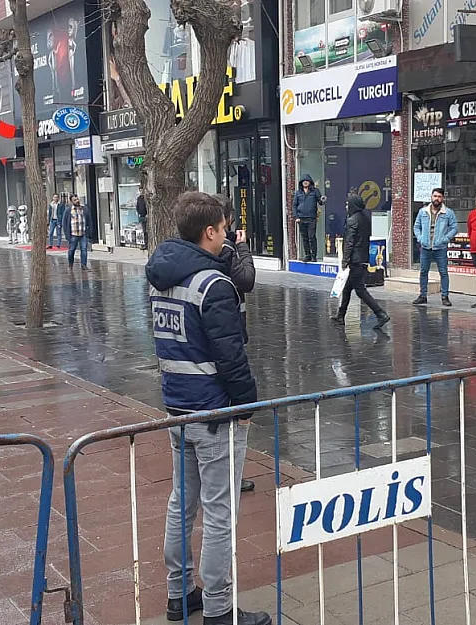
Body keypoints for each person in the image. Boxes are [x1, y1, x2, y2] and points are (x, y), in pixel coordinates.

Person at [145, 191, 270, 625]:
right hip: (215, 412)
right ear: (209, 231)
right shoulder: (213, 285)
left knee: (182, 503)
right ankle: (219, 608)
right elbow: (231, 355)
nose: (225, 235)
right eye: (221, 228)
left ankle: (180, 595)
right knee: (220, 512)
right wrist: (246, 404)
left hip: (177, 406)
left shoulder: (162, 277)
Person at [217, 195, 258, 493]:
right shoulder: (227, 248)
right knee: (233, 410)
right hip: (228, 332)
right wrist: (242, 246)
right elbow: (246, 280)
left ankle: (225, 474)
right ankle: (230, 475)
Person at [332, 194, 390, 330]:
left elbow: (349, 242)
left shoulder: (352, 220)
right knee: (347, 288)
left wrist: (345, 260)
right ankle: (341, 316)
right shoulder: (365, 218)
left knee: (360, 290)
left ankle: (381, 314)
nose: (346, 206)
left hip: (355, 260)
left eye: (348, 204)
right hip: (362, 258)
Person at [413, 188, 458, 307]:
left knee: (443, 272)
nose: (436, 198)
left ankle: (445, 296)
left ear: (442, 198)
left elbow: (454, 228)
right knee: (423, 272)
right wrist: (420, 238)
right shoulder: (423, 212)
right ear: (431, 197)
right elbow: (416, 226)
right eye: (435, 196)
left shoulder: (448, 212)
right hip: (426, 246)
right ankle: (423, 295)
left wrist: (445, 238)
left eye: (439, 196)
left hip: (440, 247)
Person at [292, 175, 325, 262]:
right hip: (301, 219)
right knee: (304, 238)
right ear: (301, 183)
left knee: (312, 237)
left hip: (311, 218)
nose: (305, 182)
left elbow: (320, 202)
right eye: (304, 181)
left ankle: (314, 256)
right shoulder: (298, 193)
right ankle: (307, 255)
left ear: (310, 182)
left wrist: (323, 200)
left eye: (307, 180)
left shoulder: (315, 191)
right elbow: (294, 206)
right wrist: (296, 217)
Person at [64, 195, 90, 269]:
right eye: (75, 200)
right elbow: (65, 222)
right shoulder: (69, 210)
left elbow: (89, 219)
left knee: (84, 249)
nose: (77, 201)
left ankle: (83, 265)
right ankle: (70, 263)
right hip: (73, 234)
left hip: (83, 233)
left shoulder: (84, 209)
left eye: (77, 199)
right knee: (71, 250)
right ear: (72, 201)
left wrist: (89, 230)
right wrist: (67, 234)